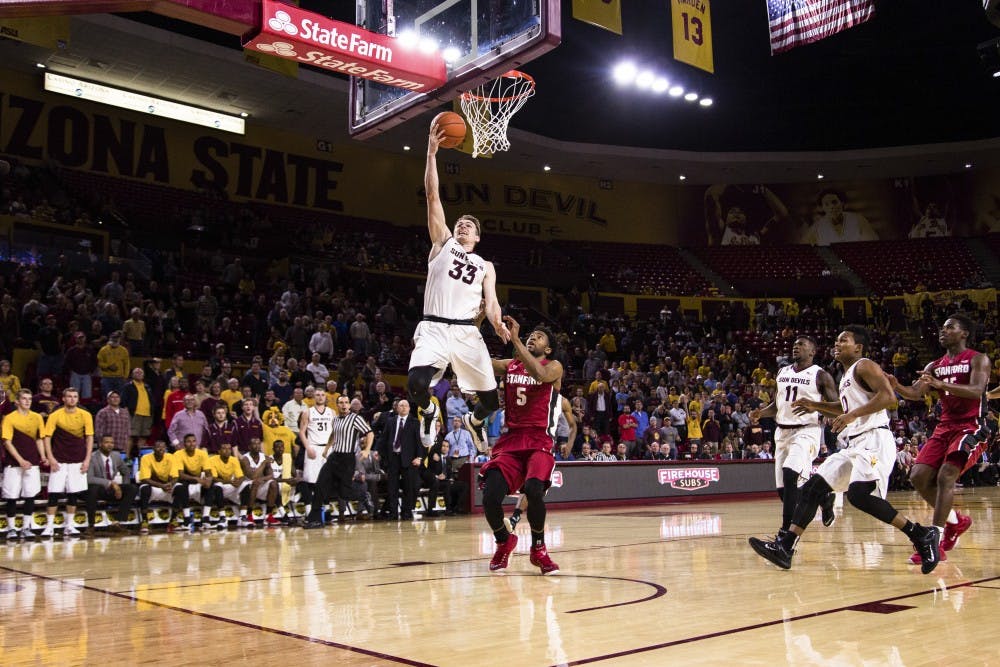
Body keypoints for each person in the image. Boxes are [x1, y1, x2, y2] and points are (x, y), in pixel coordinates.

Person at [748, 326, 942, 574]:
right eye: (837, 339)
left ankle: (921, 534)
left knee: (860, 497)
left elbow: (888, 398)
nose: (837, 344)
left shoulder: (865, 365)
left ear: (858, 347)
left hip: (874, 441)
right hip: (854, 444)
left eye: (844, 340)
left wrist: (851, 416)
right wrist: (814, 405)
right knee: (812, 488)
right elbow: (844, 406)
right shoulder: (847, 375)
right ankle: (786, 547)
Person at [405, 120, 511, 457]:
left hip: (467, 333)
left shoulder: (485, 266)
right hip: (434, 326)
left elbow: (491, 302)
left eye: (471, 225)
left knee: (492, 402)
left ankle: (475, 421)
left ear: (478, 238)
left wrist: (495, 321)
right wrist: (431, 153)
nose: (463, 224)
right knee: (416, 385)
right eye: (461, 222)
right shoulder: (443, 243)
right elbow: (433, 195)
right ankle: (428, 412)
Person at [888, 314, 989, 564]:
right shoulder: (935, 365)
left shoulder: (978, 359)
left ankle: (936, 541)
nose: (943, 331)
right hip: (945, 427)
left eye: (949, 327)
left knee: (946, 476)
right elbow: (915, 393)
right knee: (918, 476)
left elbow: (977, 390)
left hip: (971, 426)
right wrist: (896, 385)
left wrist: (940, 384)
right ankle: (955, 522)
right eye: (942, 328)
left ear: (964, 333)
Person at [479, 318, 563, 575]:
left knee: (535, 489)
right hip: (512, 439)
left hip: (539, 439)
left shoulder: (554, 366)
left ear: (547, 349)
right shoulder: (510, 365)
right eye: (531, 335)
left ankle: (538, 549)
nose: (533, 337)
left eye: (539, 336)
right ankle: (505, 540)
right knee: (490, 495)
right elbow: (478, 361)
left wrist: (515, 339)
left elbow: (539, 374)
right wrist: (474, 324)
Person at [749, 337, 839, 534]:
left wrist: (816, 406)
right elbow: (778, 404)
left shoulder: (821, 376)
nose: (796, 347)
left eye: (801, 345)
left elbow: (839, 408)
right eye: (794, 344)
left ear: (812, 352)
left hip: (806, 430)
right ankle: (824, 499)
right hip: (781, 432)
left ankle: (785, 533)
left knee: (791, 474)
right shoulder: (782, 372)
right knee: (785, 492)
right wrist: (761, 413)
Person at [304, 394, 374, 527]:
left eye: (346, 403)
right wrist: (327, 448)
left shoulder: (355, 418)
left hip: (347, 459)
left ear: (349, 405)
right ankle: (314, 519)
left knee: (344, 492)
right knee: (320, 484)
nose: (344, 405)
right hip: (334, 456)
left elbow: (370, 433)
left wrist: (367, 450)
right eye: (341, 403)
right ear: (337, 405)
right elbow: (333, 434)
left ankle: (363, 495)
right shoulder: (335, 419)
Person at [41, 388, 94, 538]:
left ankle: (69, 526)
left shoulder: (86, 415)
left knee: (73, 494)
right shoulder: (55, 415)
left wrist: (87, 459)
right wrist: (50, 458)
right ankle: (49, 527)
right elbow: (47, 437)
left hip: (78, 459)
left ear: (78, 399)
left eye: (75, 397)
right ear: (63, 399)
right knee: (54, 493)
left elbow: (89, 437)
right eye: (69, 396)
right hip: (59, 459)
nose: (72, 399)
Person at [2, 389, 47, 540]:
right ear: (17, 402)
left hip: (32, 462)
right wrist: (20, 460)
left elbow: (39, 439)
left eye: (29, 399)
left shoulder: (37, 418)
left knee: (30, 495)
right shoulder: (9, 418)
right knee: (12, 496)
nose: (28, 401)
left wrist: (43, 456)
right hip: (13, 464)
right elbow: (7, 442)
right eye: (24, 399)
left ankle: (26, 528)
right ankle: (11, 529)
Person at [375, 399, 423, 520]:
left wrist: (419, 457)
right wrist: (377, 451)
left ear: (409, 408)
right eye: (401, 405)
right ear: (397, 408)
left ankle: (406, 512)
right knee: (392, 487)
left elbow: (420, 442)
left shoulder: (415, 422)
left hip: (409, 459)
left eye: (406, 406)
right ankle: (393, 513)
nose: (403, 408)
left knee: (408, 487)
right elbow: (383, 438)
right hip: (393, 458)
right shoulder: (390, 421)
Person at [85, 435, 137, 535]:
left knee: (132, 488)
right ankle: (91, 525)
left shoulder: (116, 456)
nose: (109, 445)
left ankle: (117, 523)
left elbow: (126, 471)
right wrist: (111, 483)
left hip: (112, 490)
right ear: (100, 444)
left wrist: (122, 487)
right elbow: (89, 478)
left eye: (112, 443)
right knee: (93, 489)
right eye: (106, 442)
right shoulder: (92, 457)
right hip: (98, 489)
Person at [173, 433, 223, 531]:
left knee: (212, 486)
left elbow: (208, 472)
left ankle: (205, 519)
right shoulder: (178, 454)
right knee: (181, 486)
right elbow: (181, 475)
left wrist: (209, 480)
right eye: (188, 442)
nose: (191, 444)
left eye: (194, 441)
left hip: (198, 482)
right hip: (185, 482)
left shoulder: (202, 453)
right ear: (184, 444)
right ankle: (186, 520)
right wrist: (196, 479)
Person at [137, 439, 187, 534]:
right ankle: (144, 521)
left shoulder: (171, 457)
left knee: (181, 488)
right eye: (158, 447)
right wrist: (161, 486)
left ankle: (173, 521)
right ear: (153, 449)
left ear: (166, 449)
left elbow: (175, 476)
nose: (161, 449)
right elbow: (145, 479)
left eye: (163, 447)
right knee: (144, 488)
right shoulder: (146, 458)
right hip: (153, 487)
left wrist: (170, 484)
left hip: (167, 487)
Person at [298, 389, 334, 520]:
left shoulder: (331, 412)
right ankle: (311, 511)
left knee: (327, 480)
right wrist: (308, 447)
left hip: (327, 448)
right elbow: (302, 432)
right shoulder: (307, 412)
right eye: (317, 395)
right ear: (313, 397)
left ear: (326, 397)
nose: (320, 397)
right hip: (313, 447)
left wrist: (331, 448)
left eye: (322, 395)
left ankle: (326, 510)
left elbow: (334, 432)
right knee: (310, 481)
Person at [800, 189, 878, 245]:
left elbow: (872, 243)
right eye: (826, 204)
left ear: (842, 203)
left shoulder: (858, 219)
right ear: (822, 208)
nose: (831, 207)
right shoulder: (817, 227)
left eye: (834, 202)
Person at [240, 437, 280, 527]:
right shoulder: (245, 459)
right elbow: (252, 476)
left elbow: (271, 475)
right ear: (249, 447)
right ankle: (249, 515)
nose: (257, 446)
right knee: (255, 483)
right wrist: (263, 464)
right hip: (246, 487)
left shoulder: (264, 457)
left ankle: (268, 515)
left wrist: (262, 479)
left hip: (259, 484)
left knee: (273, 483)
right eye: (254, 444)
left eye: (258, 443)